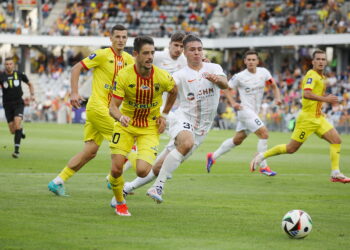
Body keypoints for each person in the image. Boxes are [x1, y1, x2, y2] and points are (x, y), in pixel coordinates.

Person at [115, 34, 228, 204]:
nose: (196, 53)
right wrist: (162, 114)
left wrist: (217, 79)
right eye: (192, 50)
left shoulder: (214, 68)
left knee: (160, 165)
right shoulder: (179, 75)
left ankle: (126, 188)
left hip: (202, 128)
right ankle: (158, 186)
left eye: (199, 49)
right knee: (187, 142)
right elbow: (163, 89)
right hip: (183, 119)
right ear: (185, 52)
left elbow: (225, 84)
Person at [48, 25, 134, 196]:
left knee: (90, 152)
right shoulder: (102, 55)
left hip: (108, 110)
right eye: (117, 37)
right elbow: (76, 68)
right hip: (99, 108)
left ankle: (57, 181)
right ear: (111, 38)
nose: (121, 40)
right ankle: (114, 179)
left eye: (124, 37)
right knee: (128, 141)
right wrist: (74, 92)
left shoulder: (129, 59)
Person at [250, 49, 350, 183]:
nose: (321, 61)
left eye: (323, 59)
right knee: (291, 149)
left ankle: (335, 173)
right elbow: (306, 94)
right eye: (318, 59)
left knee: (336, 140)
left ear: (326, 62)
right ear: (313, 62)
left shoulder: (322, 77)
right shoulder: (311, 75)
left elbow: (312, 99)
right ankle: (261, 156)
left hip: (318, 118)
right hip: (307, 120)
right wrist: (326, 100)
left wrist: (320, 109)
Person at [108, 35, 178, 215]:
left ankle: (130, 154)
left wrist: (164, 115)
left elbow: (173, 91)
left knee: (141, 171)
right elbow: (113, 107)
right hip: (126, 125)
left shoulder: (162, 76)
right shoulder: (124, 75)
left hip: (149, 127)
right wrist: (120, 116)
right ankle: (120, 202)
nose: (150, 57)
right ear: (136, 54)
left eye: (152, 53)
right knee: (116, 170)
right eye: (146, 53)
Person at [206, 50, 281, 176]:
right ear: (245, 61)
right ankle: (263, 166)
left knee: (237, 140)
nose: (251, 62)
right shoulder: (239, 76)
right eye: (249, 60)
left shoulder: (264, 73)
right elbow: (226, 88)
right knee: (264, 134)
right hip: (245, 110)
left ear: (257, 61)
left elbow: (273, 85)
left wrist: (278, 98)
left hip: (254, 112)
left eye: (253, 59)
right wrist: (233, 103)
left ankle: (212, 156)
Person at [0, 57, 35, 158]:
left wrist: (32, 95)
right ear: (4, 65)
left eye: (10, 64)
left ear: (13, 65)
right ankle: (21, 130)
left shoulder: (19, 74)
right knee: (13, 130)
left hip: (18, 103)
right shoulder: (1, 76)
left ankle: (16, 151)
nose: (8, 66)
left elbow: (30, 84)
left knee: (17, 122)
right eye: (7, 64)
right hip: (7, 104)